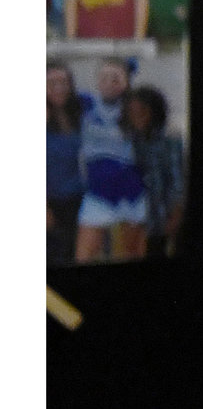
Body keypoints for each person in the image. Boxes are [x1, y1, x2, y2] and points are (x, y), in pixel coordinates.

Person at [74, 59, 149, 263]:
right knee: (83, 255)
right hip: (98, 192)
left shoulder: (135, 109)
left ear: (126, 82)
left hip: (131, 193)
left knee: (133, 253)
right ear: (97, 81)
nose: (109, 83)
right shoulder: (86, 103)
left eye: (115, 78)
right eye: (104, 78)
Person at [124, 84, 186, 258]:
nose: (137, 116)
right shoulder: (131, 140)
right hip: (137, 216)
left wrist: (176, 213)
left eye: (142, 111)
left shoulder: (169, 139)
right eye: (132, 112)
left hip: (163, 215)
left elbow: (177, 180)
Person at [46, 63, 86, 266]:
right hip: (50, 200)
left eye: (63, 82)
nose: (59, 87)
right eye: (52, 82)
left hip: (77, 197)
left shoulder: (80, 110)